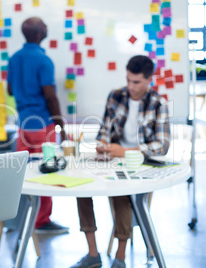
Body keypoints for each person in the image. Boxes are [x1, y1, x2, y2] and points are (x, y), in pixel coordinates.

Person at [70, 55, 170, 268]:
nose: (130, 86)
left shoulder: (158, 103)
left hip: (136, 163)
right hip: (111, 158)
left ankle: (120, 257)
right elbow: (105, 130)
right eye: (128, 80)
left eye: (136, 82)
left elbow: (162, 145)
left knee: (121, 192)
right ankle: (93, 254)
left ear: (149, 79)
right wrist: (103, 144)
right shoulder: (116, 96)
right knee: (80, 186)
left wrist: (124, 151)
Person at [7, 17, 68, 234]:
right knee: (47, 172)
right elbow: (50, 97)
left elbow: (10, 91)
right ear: (39, 35)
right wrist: (62, 125)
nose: (47, 28)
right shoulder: (44, 60)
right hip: (44, 126)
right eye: (45, 26)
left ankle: (17, 221)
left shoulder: (14, 59)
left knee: (21, 176)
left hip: (23, 126)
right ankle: (42, 221)